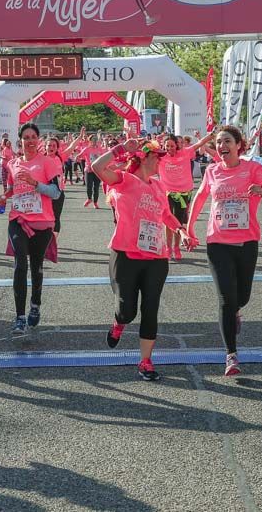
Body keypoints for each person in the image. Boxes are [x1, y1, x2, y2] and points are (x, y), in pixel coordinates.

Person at [185, 125, 262, 376]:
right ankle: (231, 355)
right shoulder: (212, 171)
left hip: (247, 241)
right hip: (217, 242)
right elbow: (200, 196)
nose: (221, 146)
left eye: (227, 141)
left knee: (242, 297)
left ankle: (237, 311)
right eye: (218, 142)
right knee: (226, 300)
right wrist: (190, 227)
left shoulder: (253, 169)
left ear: (239, 145)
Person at [92, 138, 188, 381]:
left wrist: (182, 231)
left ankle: (145, 361)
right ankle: (119, 323)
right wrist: (121, 149)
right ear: (145, 157)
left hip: (156, 257)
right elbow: (96, 167)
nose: (161, 161)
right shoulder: (126, 181)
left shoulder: (158, 186)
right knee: (127, 311)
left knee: (151, 308)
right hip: (126, 255)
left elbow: (166, 214)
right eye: (158, 156)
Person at [0, 123, 62, 335]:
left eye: (33, 137)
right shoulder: (13, 163)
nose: (30, 140)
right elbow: (14, 187)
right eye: (26, 137)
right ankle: (19, 317)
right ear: (20, 141)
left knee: (36, 266)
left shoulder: (48, 162)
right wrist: (3, 197)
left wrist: (35, 184)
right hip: (18, 219)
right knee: (20, 265)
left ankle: (35, 305)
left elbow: (56, 193)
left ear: (38, 140)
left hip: (42, 223)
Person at [158, 132, 214, 261]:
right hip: (167, 192)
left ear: (176, 145)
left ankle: (176, 247)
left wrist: (211, 135)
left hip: (184, 193)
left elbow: (199, 144)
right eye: (167, 146)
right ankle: (168, 248)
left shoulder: (185, 152)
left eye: (172, 146)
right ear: (164, 146)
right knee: (168, 221)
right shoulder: (160, 157)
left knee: (178, 222)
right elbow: (145, 150)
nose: (169, 148)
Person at [80, 134, 106, 208]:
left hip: (97, 170)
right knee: (89, 186)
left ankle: (95, 202)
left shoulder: (100, 149)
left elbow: (103, 157)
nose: (95, 141)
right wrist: (77, 157)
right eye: (93, 139)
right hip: (88, 170)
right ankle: (89, 199)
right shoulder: (87, 149)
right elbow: (80, 155)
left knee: (96, 187)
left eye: (96, 139)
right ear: (90, 140)